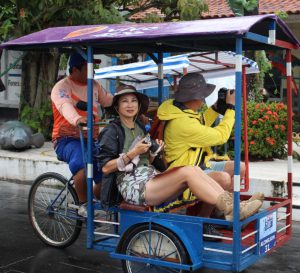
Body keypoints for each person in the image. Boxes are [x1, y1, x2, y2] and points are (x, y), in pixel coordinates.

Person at [96, 85, 262, 223]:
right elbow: (105, 168)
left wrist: (154, 153)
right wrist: (133, 152)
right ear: (117, 106)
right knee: (189, 170)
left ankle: (233, 207)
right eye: (125, 101)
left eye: (133, 101)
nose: (130, 104)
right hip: (134, 187)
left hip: (151, 177)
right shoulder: (112, 131)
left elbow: (148, 161)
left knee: (194, 169)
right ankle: (232, 209)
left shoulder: (140, 127)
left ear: (139, 106)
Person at [157, 73, 247, 193]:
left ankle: (226, 207)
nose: (204, 99)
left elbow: (200, 123)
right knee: (223, 179)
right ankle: (225, 207)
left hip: (197, 164)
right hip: (182, 173)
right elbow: (221, 136)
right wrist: (231, 109)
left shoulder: (180, 111)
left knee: (239, 167)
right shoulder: (183, 124)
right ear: (194, 98)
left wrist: (216, 108)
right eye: (202, 96)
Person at [51, 53, 113, 217]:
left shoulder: (95, 86)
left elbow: (109, 101)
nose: (93, 71)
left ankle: (95, 198)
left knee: (107, 169)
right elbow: (65, 106)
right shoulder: (62, 87)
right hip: (66, 139)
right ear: (76, 69)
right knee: (83, 164)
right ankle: (84, 204)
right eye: (89, 67)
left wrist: (129, 108)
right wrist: (77, 119)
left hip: (91, 138)